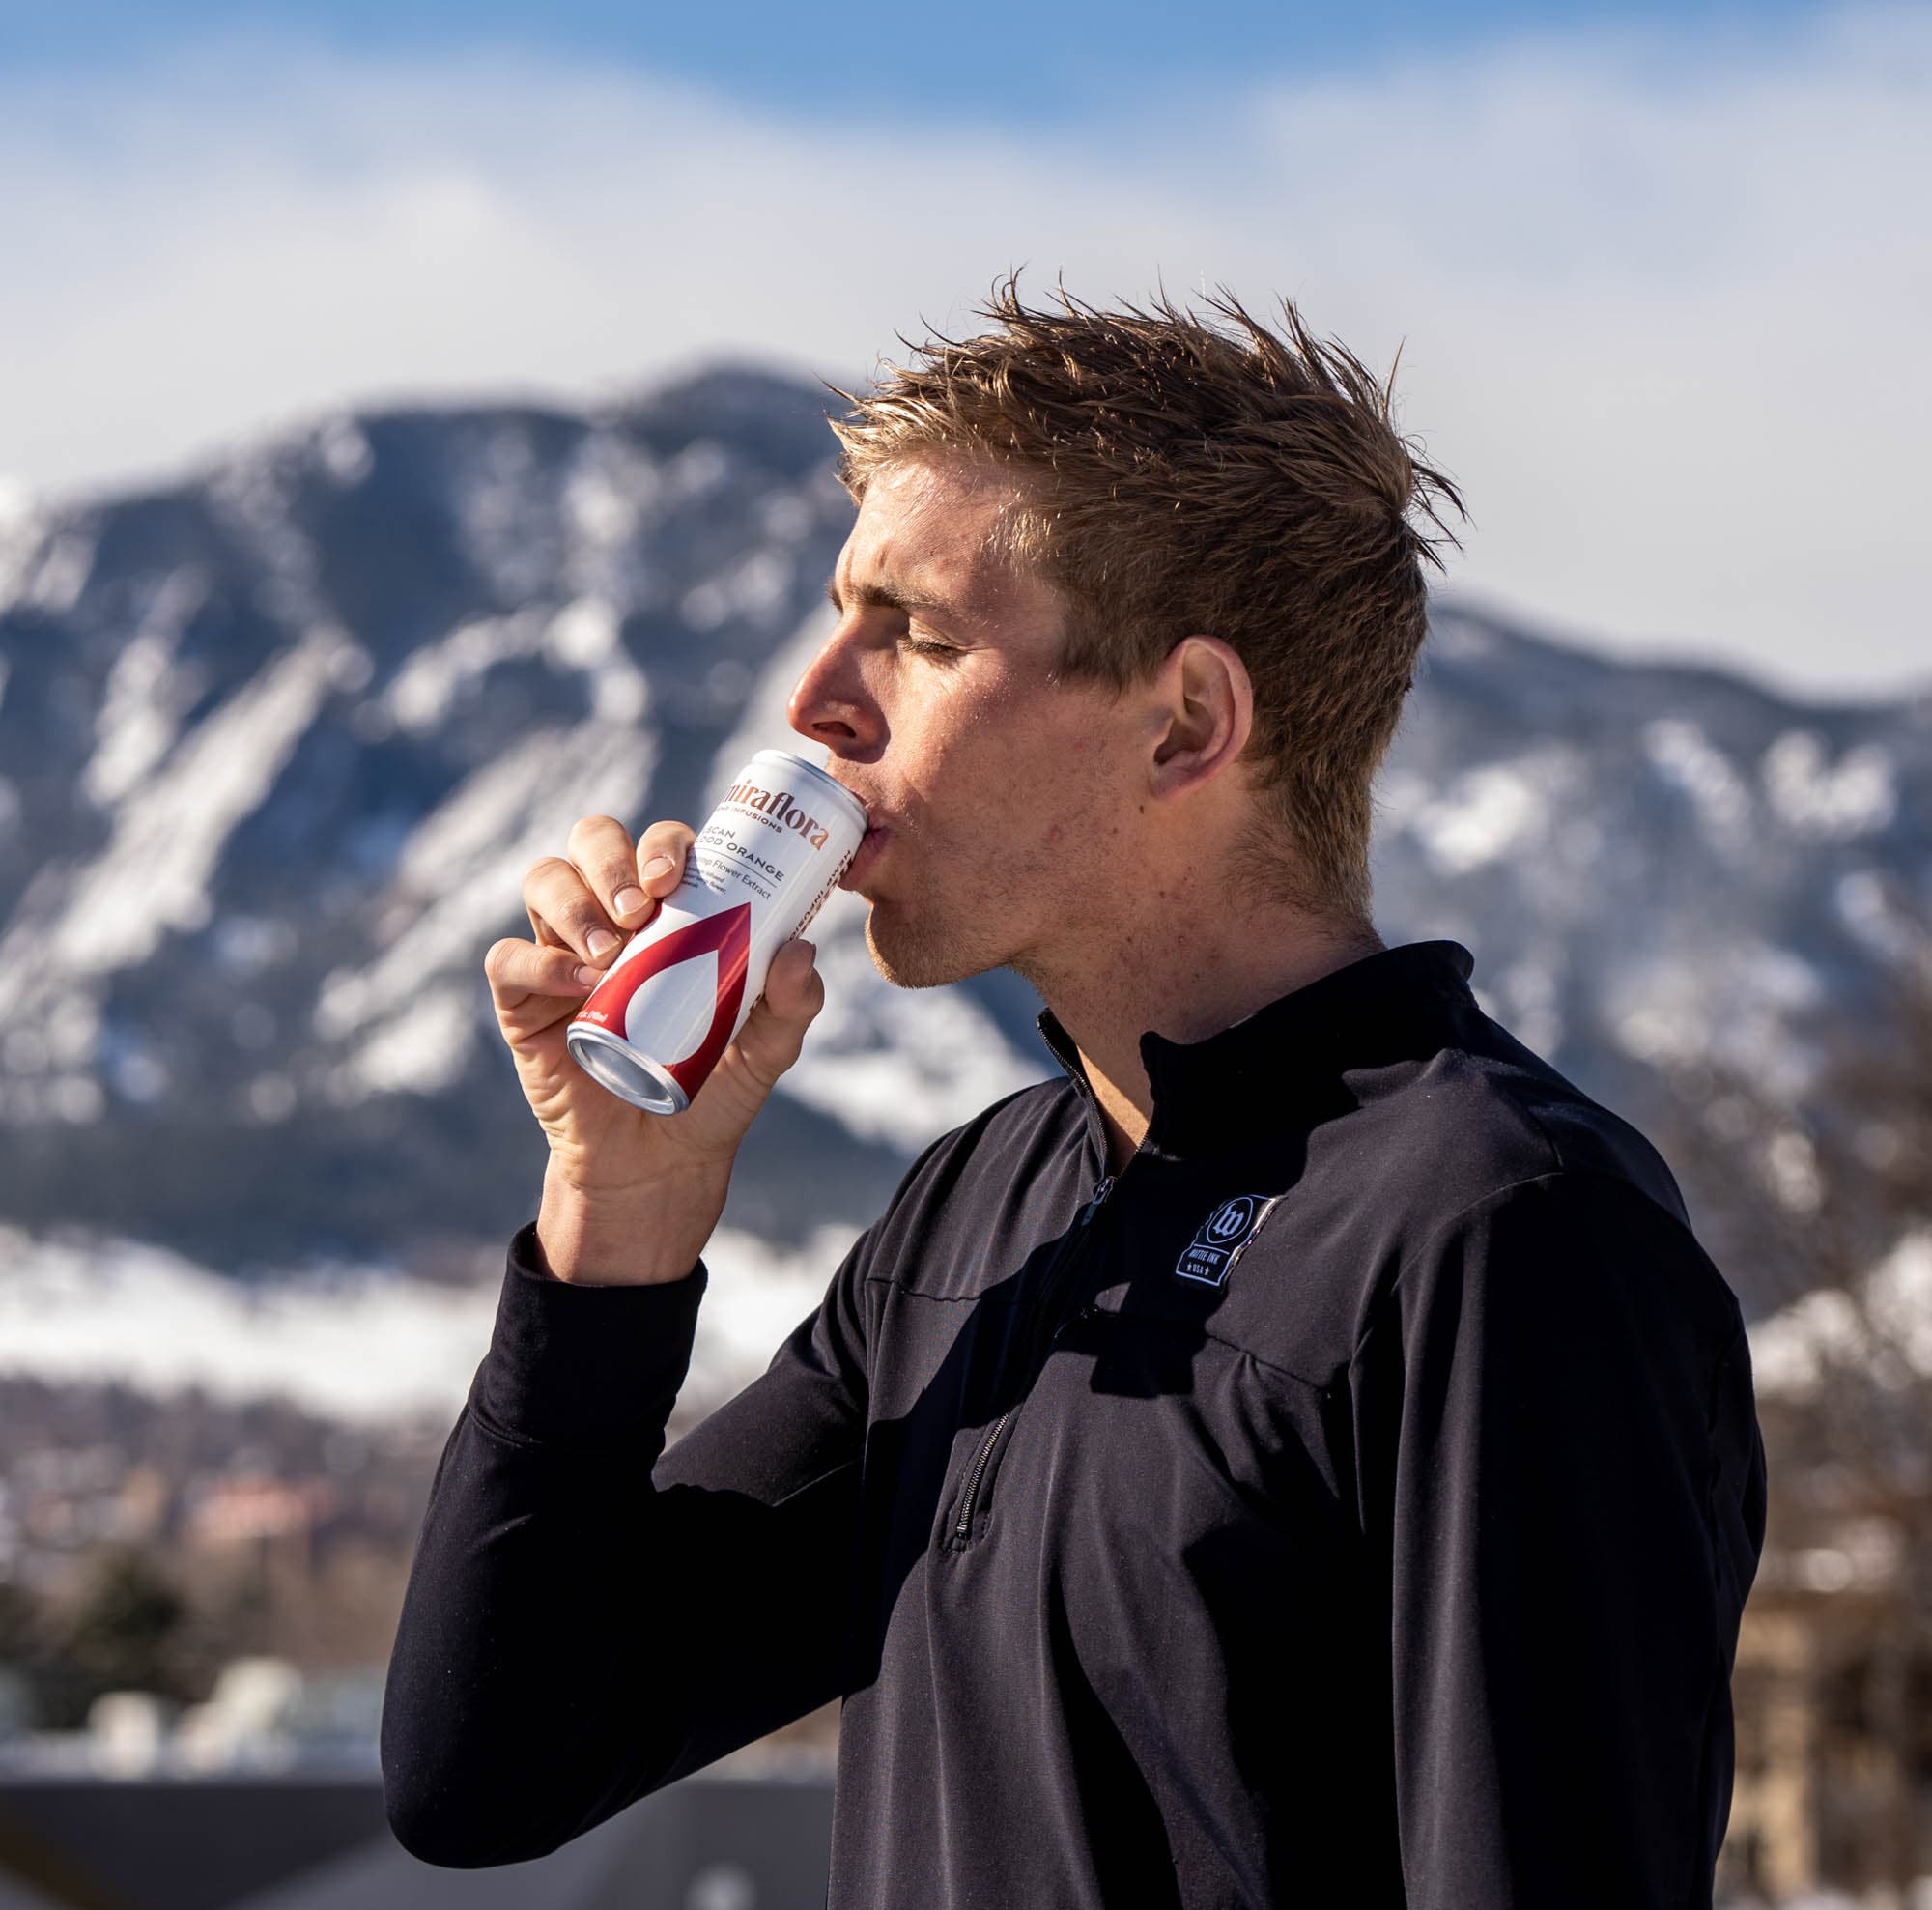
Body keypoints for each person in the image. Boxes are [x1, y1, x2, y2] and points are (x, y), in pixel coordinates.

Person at [381, 282, 1767, 1907]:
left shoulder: (1502, 1232)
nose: (817, 698)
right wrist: (614, 1225)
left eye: (925, 635)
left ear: (1186, 723)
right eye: (845, 615)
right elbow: (490, 1768)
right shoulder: (979, 1211)